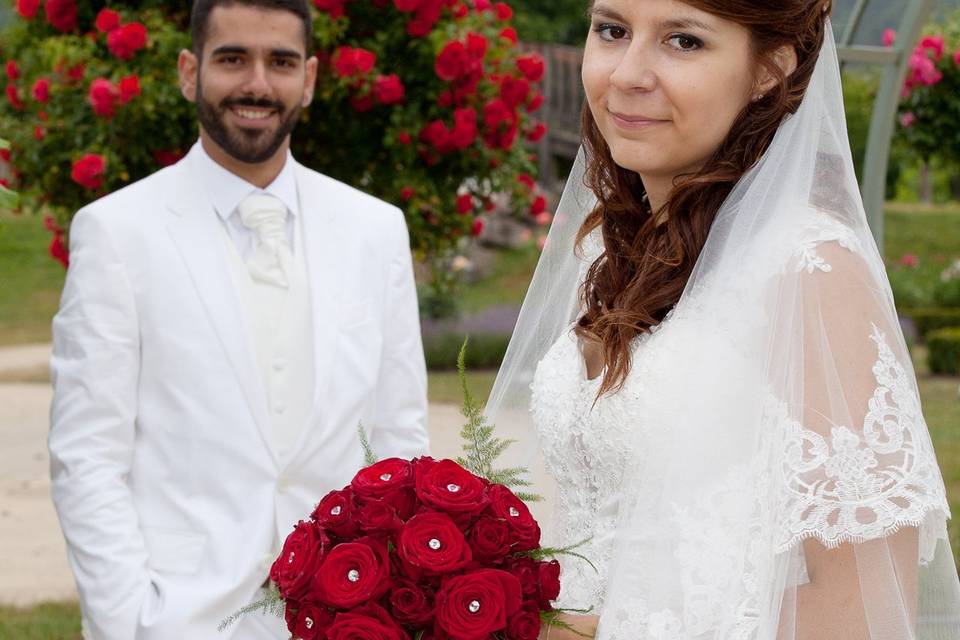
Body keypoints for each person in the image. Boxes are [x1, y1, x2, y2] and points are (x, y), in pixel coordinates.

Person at [484, 1, 960, 638]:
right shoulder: (610, 250)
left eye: (683, 41)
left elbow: (866, 607)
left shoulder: (807, 270)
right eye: (613, 30)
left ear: (768, 70)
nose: (627, 73)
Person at [48, 1, 429, 638]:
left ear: (308, 79)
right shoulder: (117, 233)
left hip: (346, 616)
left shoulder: (375, 229)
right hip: (179, 617)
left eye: (279, 62)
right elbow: (86, 455)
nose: (256, 84)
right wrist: (130, 621)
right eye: (233, 59)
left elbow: (400, 437)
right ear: (189, 71)